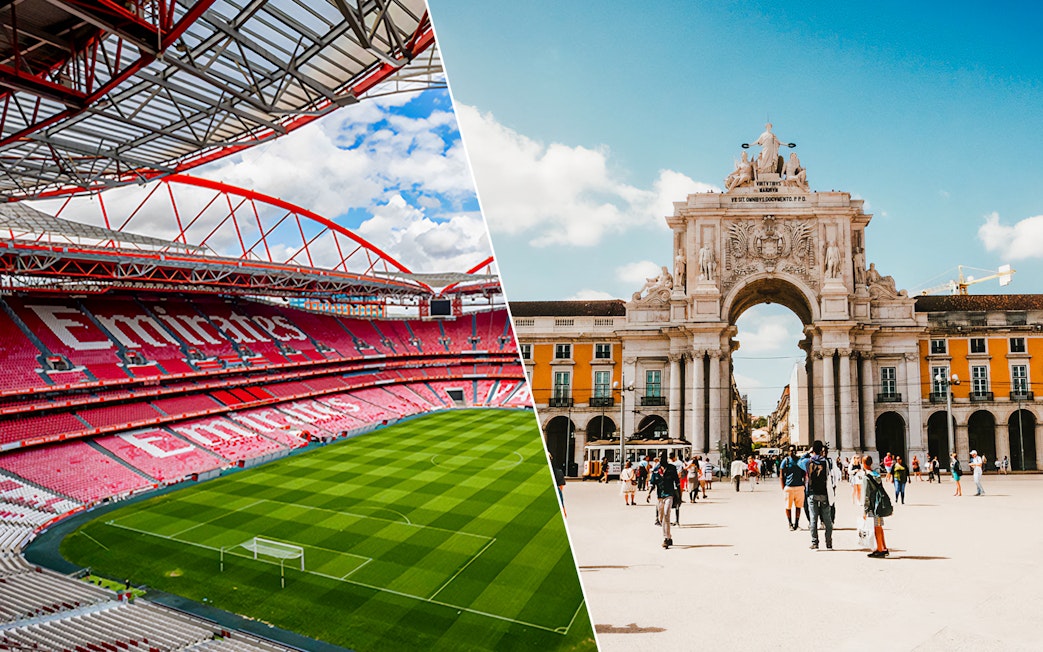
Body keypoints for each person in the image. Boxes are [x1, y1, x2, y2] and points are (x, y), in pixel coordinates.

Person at [805, 440, 833, 550]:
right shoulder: (825, 461)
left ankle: (815, 542)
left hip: (812, 493)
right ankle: (829, 543)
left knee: (813, 519)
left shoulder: (808, 461)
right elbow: (828, 475)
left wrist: (808, 452)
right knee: (827, 519)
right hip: (824, 492)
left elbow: (800, 462)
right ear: (821, 449)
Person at [651, 453, 681, 549]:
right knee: (661, 518)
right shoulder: (656, 469)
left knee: (666, 514)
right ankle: (669, 536)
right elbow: (652, 483)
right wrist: (648, 493)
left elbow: (677, 482)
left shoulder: (672, 468)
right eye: (660, 457)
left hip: (669, 494)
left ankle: (666, 538)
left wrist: (679, 497)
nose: (661, 458)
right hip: (660, 496)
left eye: (663, 457)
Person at [862, 455, 889, 558]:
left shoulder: (866, 478)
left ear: (864, 464)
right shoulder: (876, 474)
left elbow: (866, 495)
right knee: (879, 526)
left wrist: (865, 510)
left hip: (873, 506)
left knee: (876, 527)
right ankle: (884, 547)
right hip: (879, 504)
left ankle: (880, 549)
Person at [779, 446, 806, 531]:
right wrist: (783, 487)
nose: (792, 452)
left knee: (799, 506)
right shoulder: (785, 461)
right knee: (788, 506)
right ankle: (790, 524)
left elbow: (804, 473)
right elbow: (781, 474)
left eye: (793, 450)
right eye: (790, 451)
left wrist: (804, 484)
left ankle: (797, 524)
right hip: (789, 487)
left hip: (799, 486)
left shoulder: (800, 461)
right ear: (788, 452)